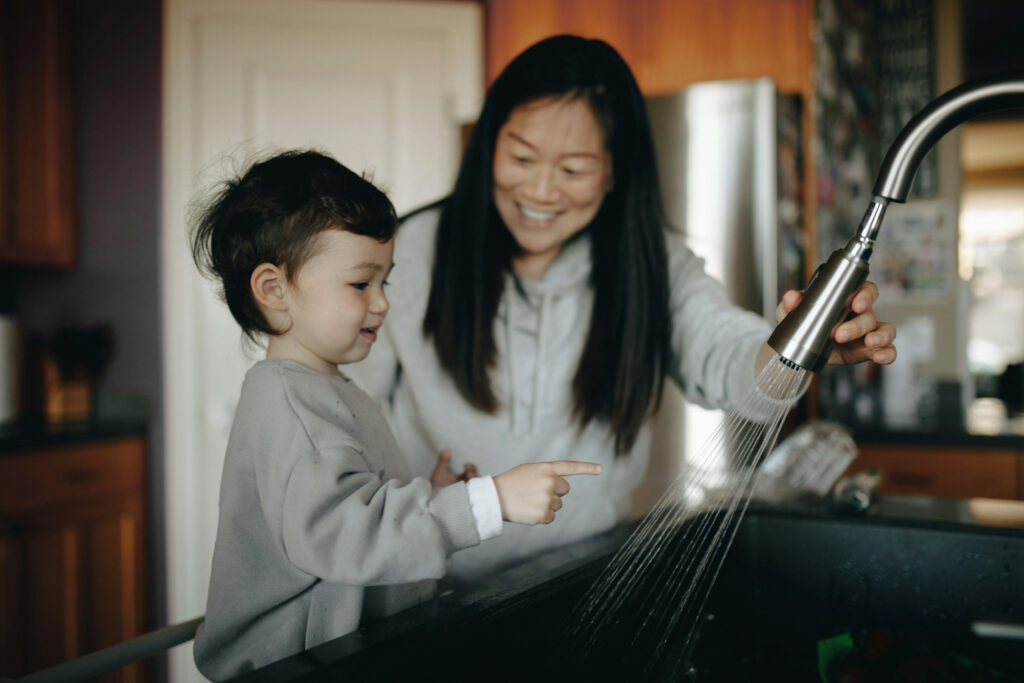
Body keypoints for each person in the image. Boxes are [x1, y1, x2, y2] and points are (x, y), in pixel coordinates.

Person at [346, 35, 898, 586]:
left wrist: (800, 348)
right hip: (421, 593)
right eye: (520, 157)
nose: (539, 191)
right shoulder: (409, 254)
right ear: (488, 145)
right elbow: (347, 416)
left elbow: (731, 362)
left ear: (614, 172)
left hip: (577, 584)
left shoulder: (652, 264)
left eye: (574, 169)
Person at [188, 150, 602, 680]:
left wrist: (425, 488)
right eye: (361, 284)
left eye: (384, 281)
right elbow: (347, 536)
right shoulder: (292, 407)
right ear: (274, 290)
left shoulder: (326, 390)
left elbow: (350, 503)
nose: (382, 302)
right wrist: (487, 501)